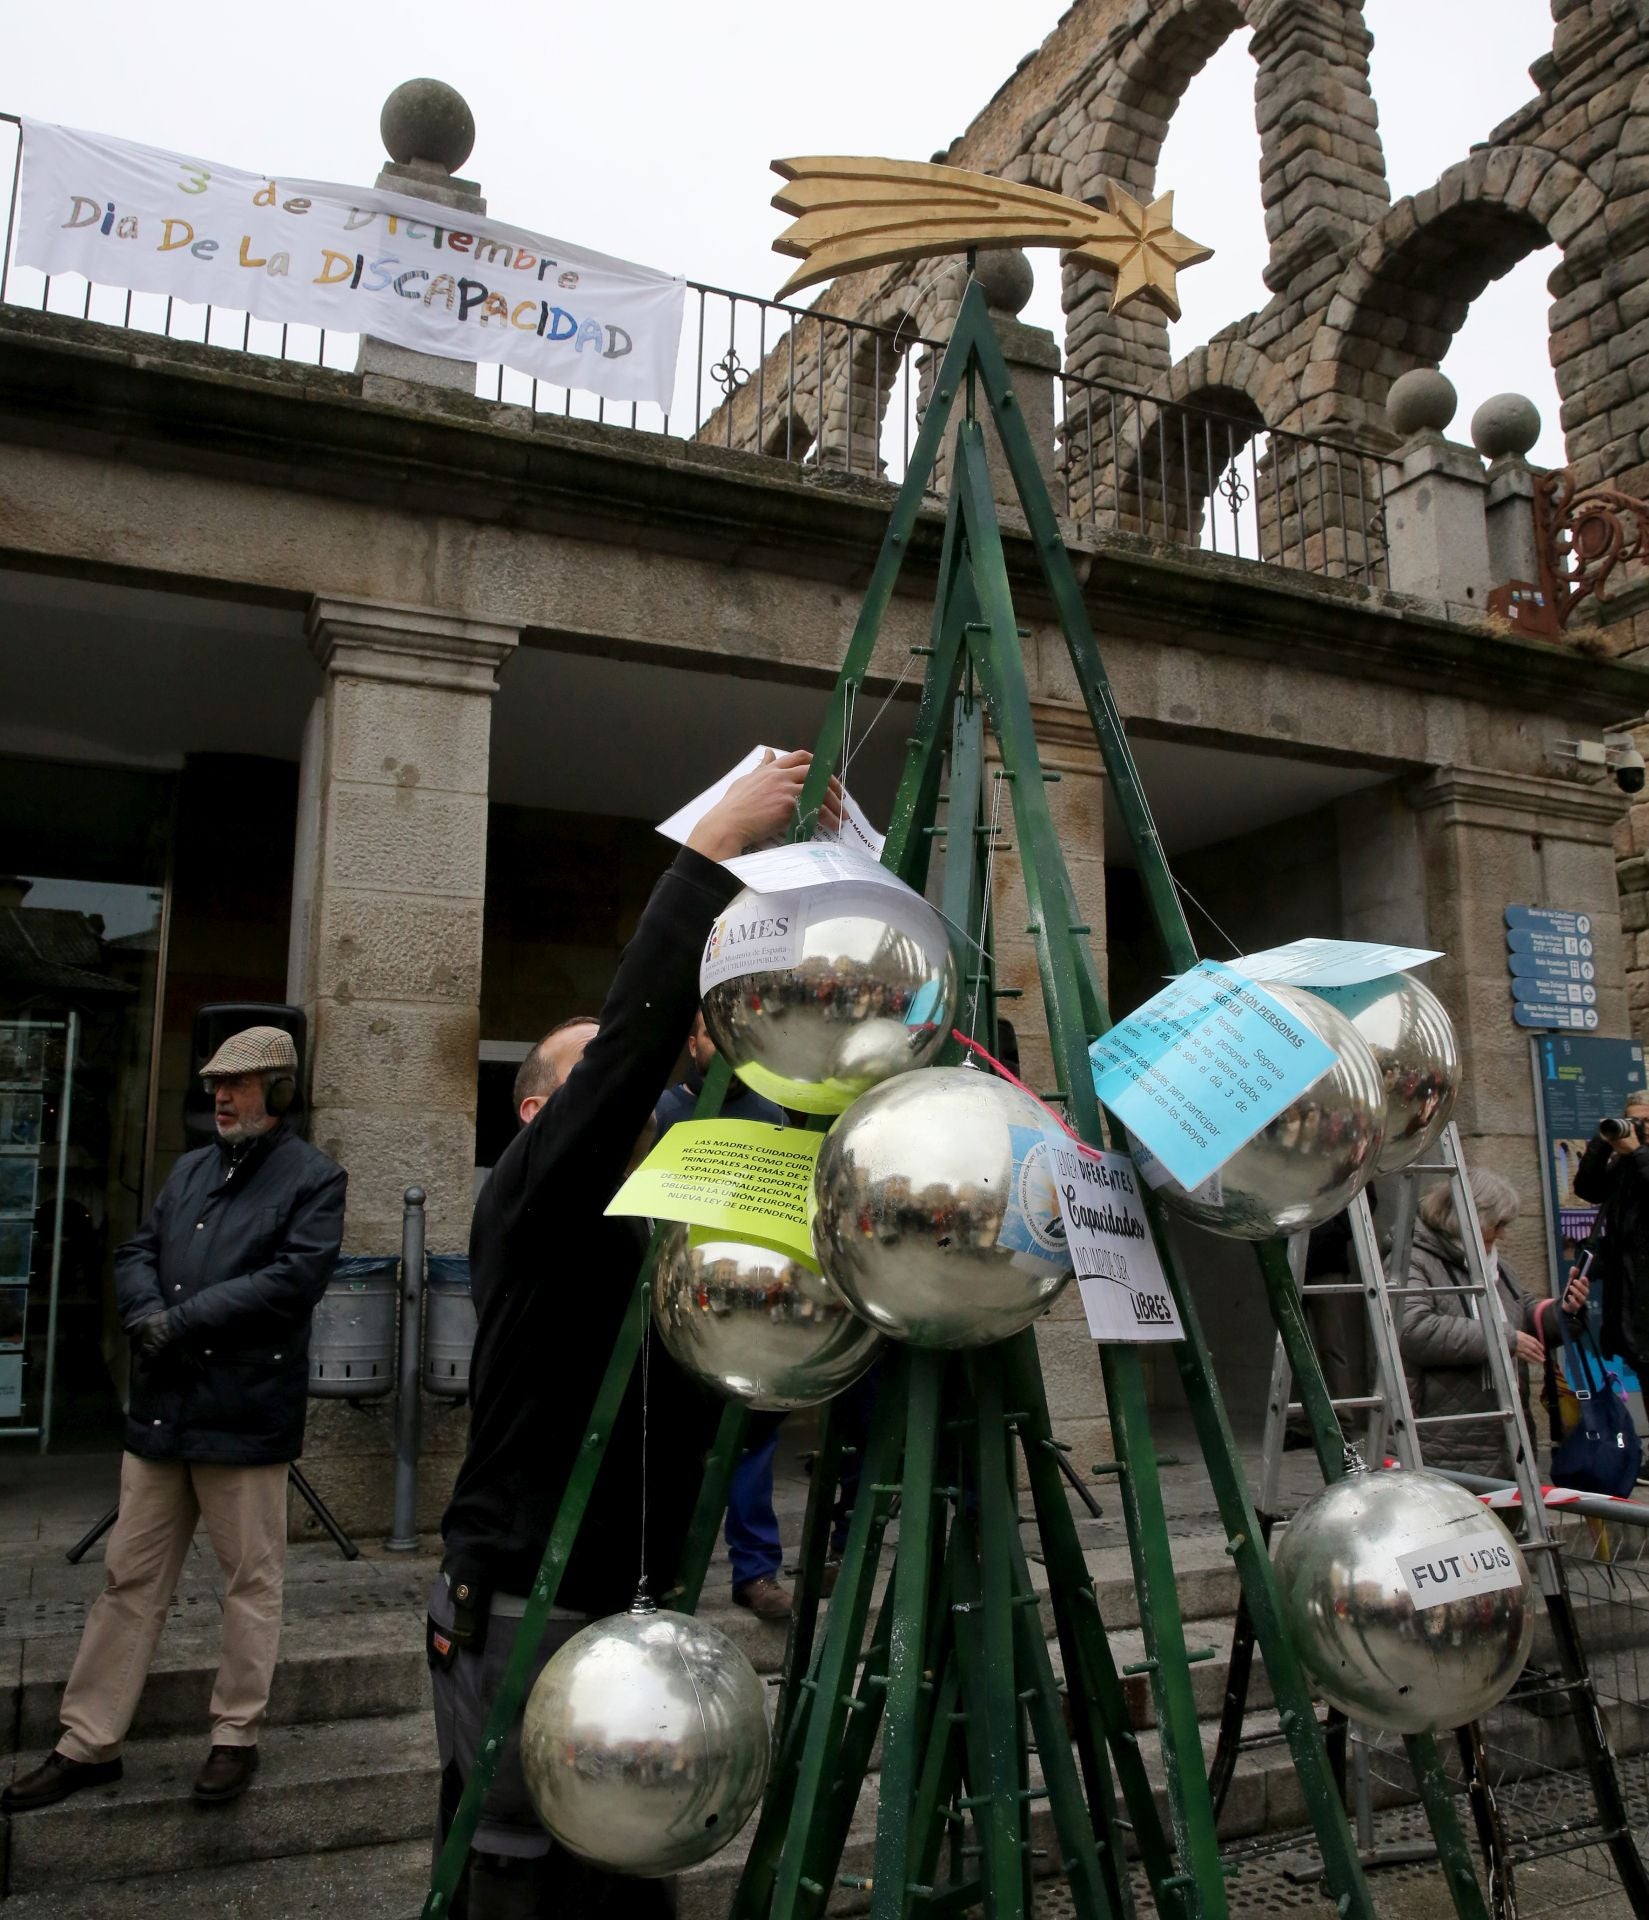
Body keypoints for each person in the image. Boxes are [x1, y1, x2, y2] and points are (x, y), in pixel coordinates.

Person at [430, 750, 838, 1919]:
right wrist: (709, 849)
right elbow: (623, 1053)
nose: (647, 1102)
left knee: (623, 1883)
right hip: (520, 1601)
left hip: (633, 1600)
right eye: (601, 1087)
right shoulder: (529, 1193)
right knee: (513, 1869)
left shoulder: (648, 1224)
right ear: (531, 1111)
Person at [2, 1026, 346, 1815]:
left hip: (242, 1413)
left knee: (248, 1583)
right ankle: (87, 1743)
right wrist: (149, 1312)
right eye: (213, 1084)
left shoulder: (315, 1178)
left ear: (280, 1091)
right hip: (164, 1411)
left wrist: (181, 1322)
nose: (219, 1096)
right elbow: (137, 1251)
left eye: (238, 1083)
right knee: (128, 1580)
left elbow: (292, 1281)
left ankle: (235, 1738)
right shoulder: (189, 1169)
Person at [654, 1011, 792, 1622]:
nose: (727, 1047)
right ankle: (663, 1574)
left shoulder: (770, 1114)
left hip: (746, 1304)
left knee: (751, 1440)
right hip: (678, 1304)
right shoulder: (663, 1112)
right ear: (692, 1044)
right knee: (671, 1443)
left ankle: (755, 1571)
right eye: (714, 1034)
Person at [1400, 1167, 1588, 1478]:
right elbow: (1413, 1330)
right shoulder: (1413, 1261)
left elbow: (1525, 1312)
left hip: (1504, 1434)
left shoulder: (1492, 1263)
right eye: (1497, 1225)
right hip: (1442, 1436)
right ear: (1466, 1220)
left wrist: (1565, 1309)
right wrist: (1502, 1339)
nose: (1502, 1234)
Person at [1572, 1091, 1649, 1372]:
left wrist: (1639, 1153)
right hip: (1631, 1303)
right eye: (1633, 1121)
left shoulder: (1639, 1159)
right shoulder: (1624, 1163)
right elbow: (1588, 1189)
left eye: (1647, 1121)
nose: (1640, 1128)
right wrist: (1603, 1143)